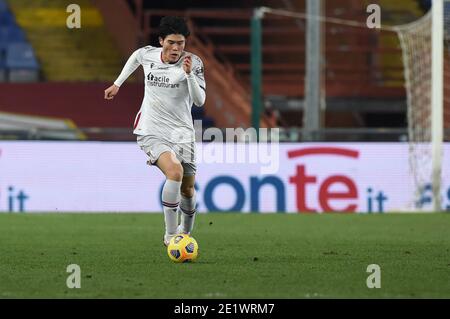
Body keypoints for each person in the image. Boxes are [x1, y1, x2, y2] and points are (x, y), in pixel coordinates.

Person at [104, 16, 206, 246]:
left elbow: (199, 101)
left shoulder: (194, 63)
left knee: (188, 190)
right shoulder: (148, 54)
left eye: (181, 43)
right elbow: (135, 58)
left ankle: (185, 234)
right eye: (171, 42)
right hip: (151, 129)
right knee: (175, 172)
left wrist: (189, 75)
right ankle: (171, 236)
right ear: (161, 41)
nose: (176, 48)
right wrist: (117, 84)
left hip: (182, 133)